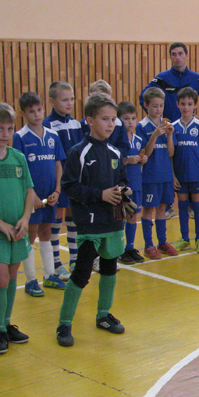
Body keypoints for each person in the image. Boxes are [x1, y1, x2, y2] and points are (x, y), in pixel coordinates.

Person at [56, 94, 127, 347]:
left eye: (113, 119)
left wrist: (124, 192)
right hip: (89, 223)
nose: (110, 124)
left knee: (109, 269)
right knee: (82, 273)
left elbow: (122, 180)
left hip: (112, 222)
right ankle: (64, 324)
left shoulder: (115, 152)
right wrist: (100, 194)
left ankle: (103, 315)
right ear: (90, 120)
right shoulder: (79, 152)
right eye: (105, 119)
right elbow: (69, 186)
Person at [0, 102, 35, 356]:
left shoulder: (18, 157)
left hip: (17, 230)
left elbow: (29, 191)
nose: (5, 134)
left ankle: (6, 324)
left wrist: (25, 218)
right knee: (0, 278)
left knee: (12, 274)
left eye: (9, 128)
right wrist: (0, 224)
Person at [13, 92, 67, 296]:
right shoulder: (20, 137)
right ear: (23, 114)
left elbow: (58, 164)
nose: (36, 114)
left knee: (47, 232)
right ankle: (30, 280)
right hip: (31, 197)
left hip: (51, 194)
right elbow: (20, 170)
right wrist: (31, 195)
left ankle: (49, 275)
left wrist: (58, 189)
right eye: (31, 111)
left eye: (39, 110)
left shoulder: (53, 135)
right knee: (31, 234)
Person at [43, 81, 83, 280]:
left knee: (73, 218)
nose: (69, 103)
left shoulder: (76, 124)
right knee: (56, 220)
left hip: (75, 179)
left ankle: (75, 260)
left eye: (72, 99)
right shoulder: (48, 125)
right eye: (64, 99)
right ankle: (57, 263)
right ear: (52, 101)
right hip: (59, 180)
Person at [136, 87, 177, 259]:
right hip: (150, 176)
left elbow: (171, 152)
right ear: (146, 105)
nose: (158, 109)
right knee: (148, 210)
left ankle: (162, 242)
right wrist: (154, 135)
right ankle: (148, 245)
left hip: (165, 174)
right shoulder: (141, 126)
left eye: (161, 106)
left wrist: (169, 136)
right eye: (154, 106)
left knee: (162, 209)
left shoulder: (167, 125)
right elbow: (145, 153)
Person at [169, 87, 199, 253]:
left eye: (189, 104)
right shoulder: (173, 127)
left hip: (196, 173)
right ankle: (185, 239)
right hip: (180, 175)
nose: (186, 107)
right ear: (177, 104)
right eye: (183, 103)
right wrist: (173, 176)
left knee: (198, 207)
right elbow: (171, 155)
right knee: (183, 207)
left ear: (195, 105)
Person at [139, 42, 199, 122]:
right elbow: (142, 97)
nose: (177, 57)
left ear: (187, 55)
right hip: (168, 126)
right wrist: (155, 117)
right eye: (174, 54)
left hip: (189, 126)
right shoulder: (161, 78)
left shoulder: (196, 78)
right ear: (170, 57)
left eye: (180, 53)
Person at [116, 102, 147, 263]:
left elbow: (142, 157)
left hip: (136, 183)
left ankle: (130, 247)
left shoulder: (139, 140)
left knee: (133, 216)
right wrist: (127, 161)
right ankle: (119, 249)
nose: (130, 122)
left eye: (133, 118)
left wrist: (143, 159)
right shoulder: (116, 140)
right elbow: (112, 162)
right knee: (121, 217)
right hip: (123, 185)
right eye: (126, 118)